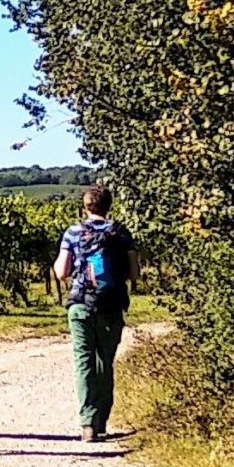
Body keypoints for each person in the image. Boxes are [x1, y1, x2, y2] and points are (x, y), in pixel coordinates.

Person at [53, 182, 137, 442]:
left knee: (84, 361)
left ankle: (87, 422)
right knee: (104, 362)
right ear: (109, 205)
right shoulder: (121, 233)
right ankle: (101, 419)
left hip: (80, 305)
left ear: (85, 205)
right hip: (111, 305)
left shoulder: (74, 232)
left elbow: (62, 271)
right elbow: (135, 273)